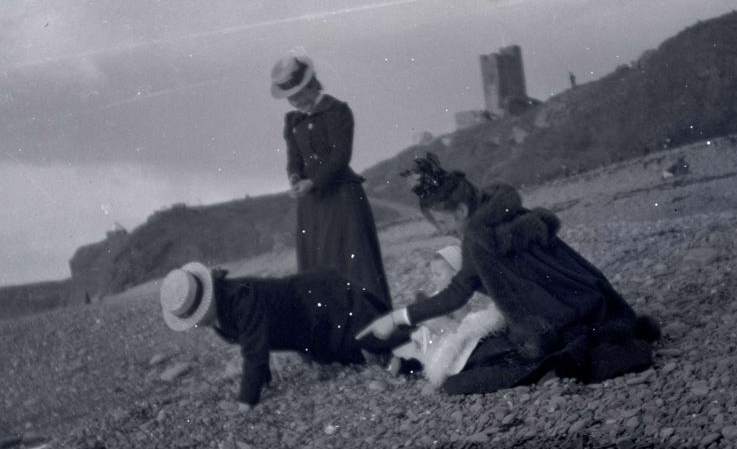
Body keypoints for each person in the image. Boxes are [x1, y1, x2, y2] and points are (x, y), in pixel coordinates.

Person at [358, 154, 659, 395]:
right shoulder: (502, 212)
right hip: (594, 303)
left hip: (557, 323)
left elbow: (455, 295)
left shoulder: (478, 240)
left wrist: (395, 318)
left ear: (461, 211)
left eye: (440, 220)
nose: (441, 230)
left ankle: (552, 369)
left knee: (457, 382)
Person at [159, 261, 405, 409]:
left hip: (324, 298)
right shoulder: (220, 313)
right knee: (348, 356)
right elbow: (255, 343)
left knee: (374, 336)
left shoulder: (242, 296)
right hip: (306, 327)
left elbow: (254, 350)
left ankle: (411, 345)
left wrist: (246, 401)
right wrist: (263, 381)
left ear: (209, 296)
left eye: (198, 315)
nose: (200, 323)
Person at [270, 53, 392, 308]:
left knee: (354, 264)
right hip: (312, 206)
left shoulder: (337, 111)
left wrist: (312, 183)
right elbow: (294, 158)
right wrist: (294, 177)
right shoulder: (293, 121)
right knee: (319, 266)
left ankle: (373, 328)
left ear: (312, 85)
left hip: (342, 199)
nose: (294, 102)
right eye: (290, 98)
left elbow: (340, 156)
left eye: (298, 94)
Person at [390, 244, 507, 388]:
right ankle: (409, 364)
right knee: (419, 346)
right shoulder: (438, 295)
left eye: (438, 275)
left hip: (459, 336)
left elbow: (465, 319)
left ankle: (419, 367)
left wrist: (438, 320)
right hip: (435, 338)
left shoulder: (471, 295)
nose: (434, 279)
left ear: (457, 275)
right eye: (432, 275)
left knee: (449, 355)